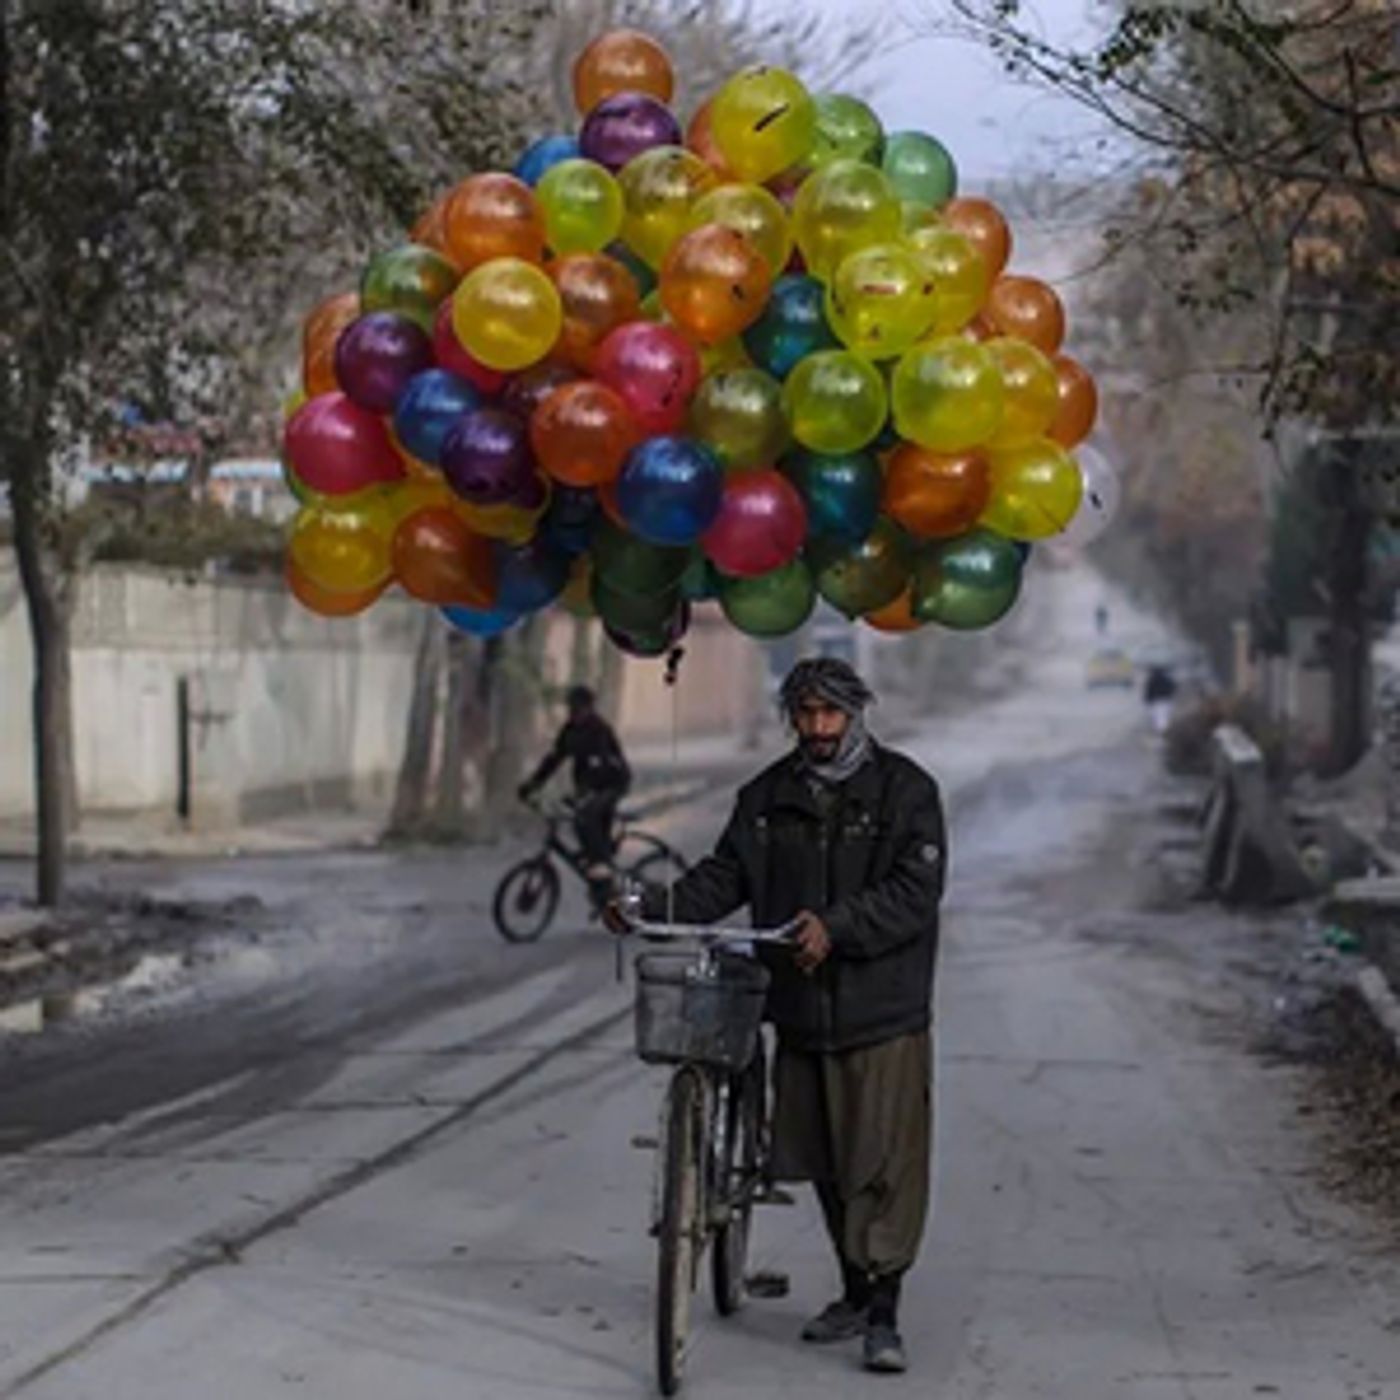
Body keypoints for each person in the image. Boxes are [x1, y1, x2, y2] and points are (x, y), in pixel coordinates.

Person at [613, 657, 946, 1374]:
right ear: (791, 717)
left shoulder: (905, 792)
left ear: (856, 715)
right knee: (823, 1160)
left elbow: (914, 892)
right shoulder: (766, 798)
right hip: (798, 1011)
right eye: (806, 713)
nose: (818, 727)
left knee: (882, 1166)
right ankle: (854, 1291)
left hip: (882, 1012)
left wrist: (836, 926)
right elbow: (724, 877)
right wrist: (651, 908)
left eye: (831, 713)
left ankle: (884, 1314)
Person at [518, 685, 631, 905]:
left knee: (588, 817)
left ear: (589, 708)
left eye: (579, 709)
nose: (575, 714)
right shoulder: (570, 730)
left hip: (612, 784)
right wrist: (532, 785)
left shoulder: (599, 730)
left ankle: (604, 874)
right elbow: (554, 759)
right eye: (572, 709)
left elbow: (602, 765)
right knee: (580, 822)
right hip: (588, 787)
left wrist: (586, 792)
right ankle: (596, 866)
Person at [1143, 664, 1177, 734]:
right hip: (1166, 700)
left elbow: (1149, 691)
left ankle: (1161, 732)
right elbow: (1173, 688)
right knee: (1164, 716)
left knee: (1159, 717)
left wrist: (1148, 700)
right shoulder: (1167, 679)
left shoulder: (1152, 680)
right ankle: (1164, 731)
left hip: (1157, 700)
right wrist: (1170, 695)